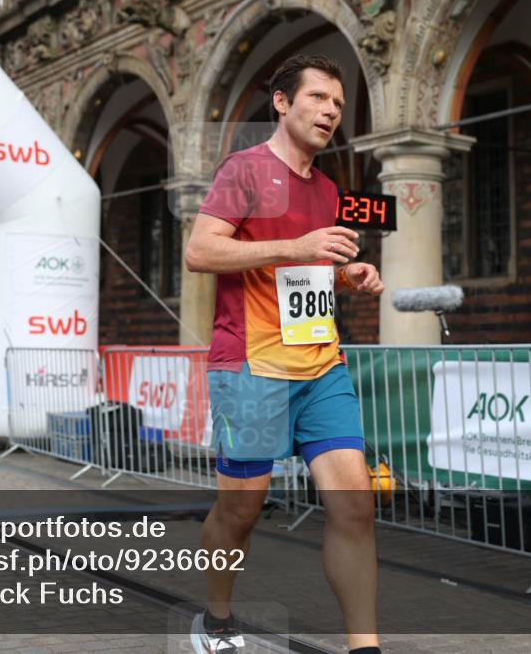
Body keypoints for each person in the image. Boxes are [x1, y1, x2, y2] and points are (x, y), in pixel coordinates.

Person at [184, 54, 384, 654]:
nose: (330, 111)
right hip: (252, 365)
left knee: (355, 505)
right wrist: (296, 244)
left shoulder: (328, 191)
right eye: (319, 97)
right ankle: (217, 620)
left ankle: (364, 647)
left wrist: (349, 279)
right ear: (282, 101)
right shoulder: (243, 171)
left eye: (338, 105)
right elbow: (200, 252)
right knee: (241, 511)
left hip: (322, 365)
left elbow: (308, 275)